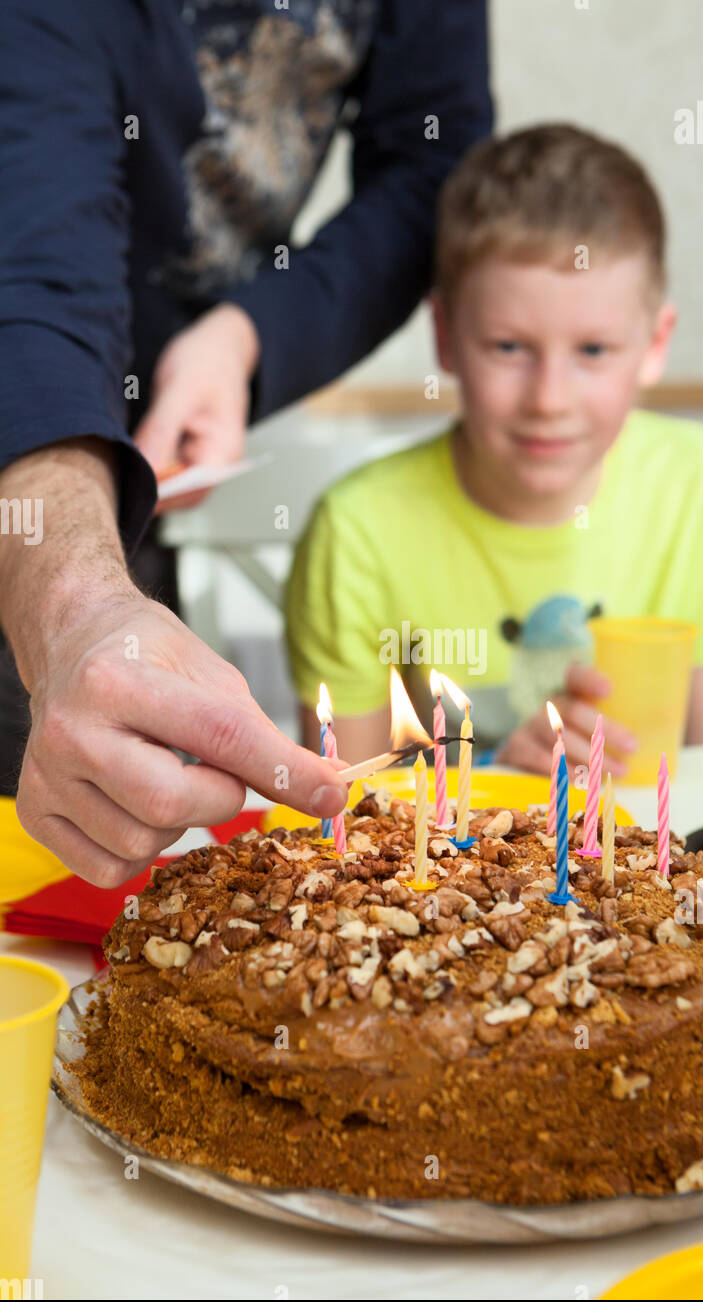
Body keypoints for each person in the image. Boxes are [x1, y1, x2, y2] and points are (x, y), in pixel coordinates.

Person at [0, 0, 492, 885]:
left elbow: (431, 164)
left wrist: (246, 335)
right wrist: (77, 613)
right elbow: (33, 268)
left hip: (133, 468)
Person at [287, 123, 703, 776]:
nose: (548, 399)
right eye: (509, 347)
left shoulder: (700, 480)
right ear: (446, 339)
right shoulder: (355, 530)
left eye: (593, 351)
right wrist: (494, 777)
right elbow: (338, 813)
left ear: (655, 344)